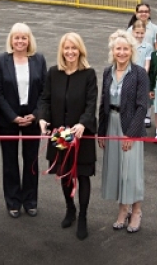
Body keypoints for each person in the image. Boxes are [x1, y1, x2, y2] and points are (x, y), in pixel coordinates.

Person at [38, 32, 97, 240]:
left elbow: (91, 104)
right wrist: (43, 119)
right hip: (60, 134)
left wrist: (83, 123)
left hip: (81, 135)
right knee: (64, 173)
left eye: (74, 48)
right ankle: (70, 208)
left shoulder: (88, 74)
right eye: (66, 48)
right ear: (61, 51)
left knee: (82, 175)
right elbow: (44, 99)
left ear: (80, 50)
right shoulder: (54, 73)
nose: (70, 52)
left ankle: (83, 216)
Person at [0, 23, 47, 218]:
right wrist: (12, 116)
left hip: (32, 117)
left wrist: (35, 114)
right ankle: (13, 201)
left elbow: (44, 91)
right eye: (16, 37)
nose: (20, 41)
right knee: (10, 161)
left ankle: (30, 200)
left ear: (29, 40)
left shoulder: (38, 59)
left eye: (24, 37)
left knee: (31, 160)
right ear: (11, 39)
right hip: (9, 118)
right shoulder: (0, 60)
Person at [98, 30, 148, 234]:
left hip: (130, 127)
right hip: (112, 124)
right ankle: (122, 209)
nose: (122, 52)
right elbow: (103, 103)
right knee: (117, 170)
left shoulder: (139, 73)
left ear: (131, 51)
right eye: (118, 48)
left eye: (125, 48)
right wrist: (101, 131)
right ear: (113, 51)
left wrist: (132, 133)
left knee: (131, 172)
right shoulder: (107, 72)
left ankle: (136, 211)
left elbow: (142, 106)